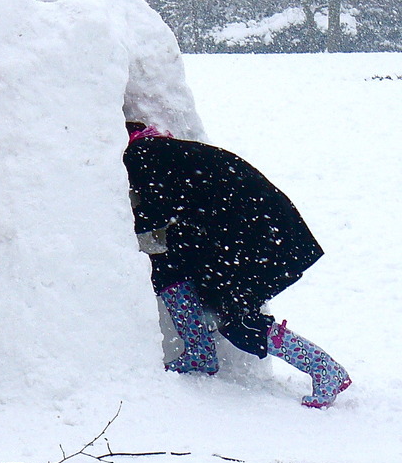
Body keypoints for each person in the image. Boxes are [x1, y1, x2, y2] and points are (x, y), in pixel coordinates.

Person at [123, 123, 351, 408]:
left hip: (261, 238)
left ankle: (324, 369)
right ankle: (198, 351)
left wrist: (118, 222)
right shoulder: (167, 153)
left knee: (237, 320)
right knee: (169, 267)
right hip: (247, 232)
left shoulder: (142, 155)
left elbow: (158, 210)